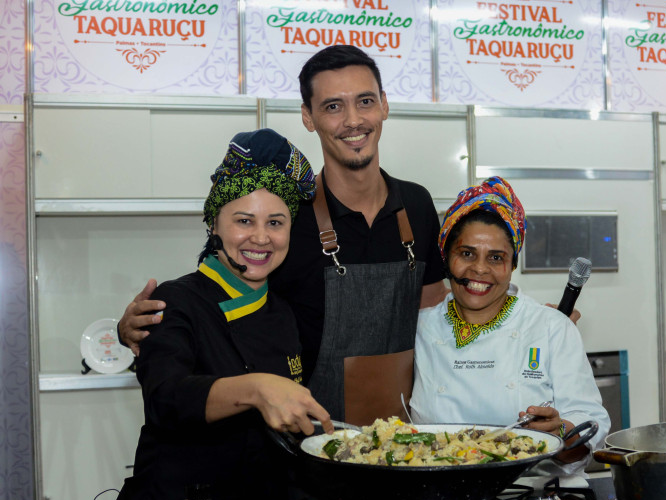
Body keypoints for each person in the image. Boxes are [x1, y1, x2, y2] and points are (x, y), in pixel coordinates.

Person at [117, 45, 447, 425]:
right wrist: (146, 327)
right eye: (333, 106)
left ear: (385, 106)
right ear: (308, 117)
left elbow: (433, 320)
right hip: (308, 437)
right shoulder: (287, 217)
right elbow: (215, 299)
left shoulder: (417, 206)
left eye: (365, 101)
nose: (353, 120)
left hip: (404, 432)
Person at [110, 129, 334, 500]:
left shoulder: (283, 311)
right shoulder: (175, 299)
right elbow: (166, 397)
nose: (261, 237)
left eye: (276, 223)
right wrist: (256, 389)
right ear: (214, 223)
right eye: (244, 220)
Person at [410, 176, 609, 483]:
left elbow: (588, 423)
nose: (479, 269)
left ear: (512, 265)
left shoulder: (551, 327)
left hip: (538, 497)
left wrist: (560, 433)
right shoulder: (419, 329)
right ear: (446, 258)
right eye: (466, 254)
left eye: (496, 258)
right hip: (443, 497)